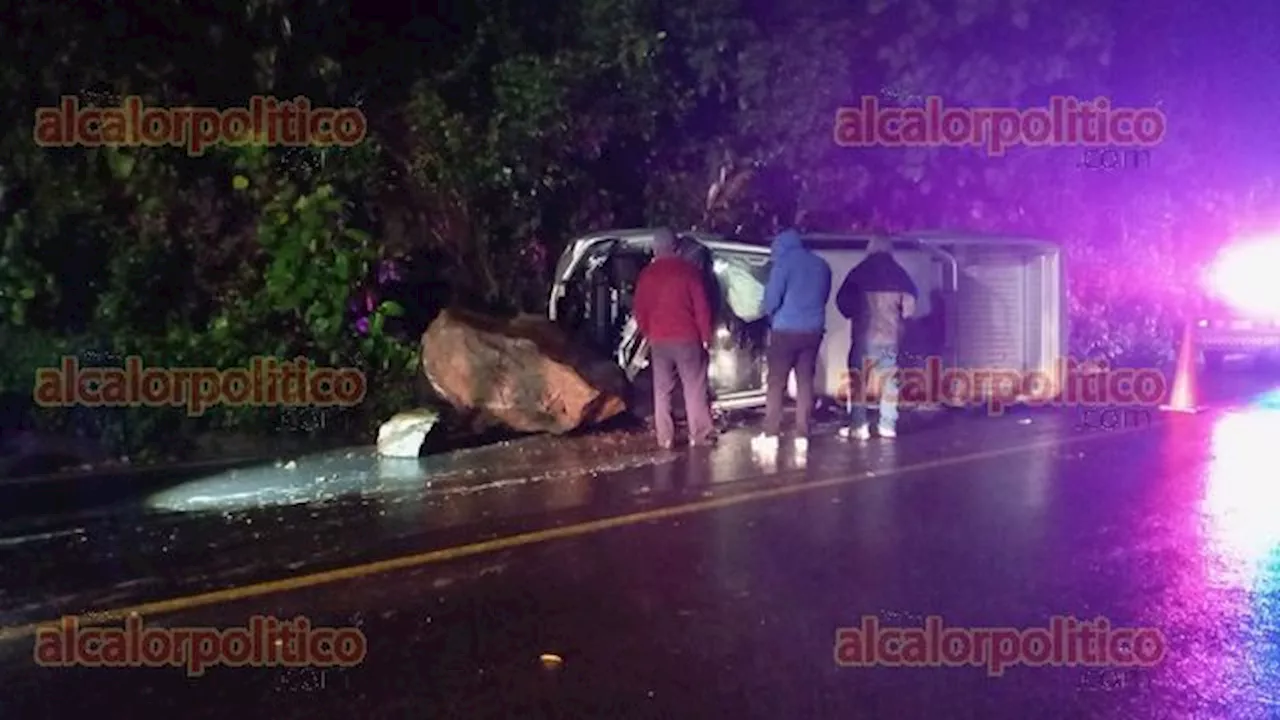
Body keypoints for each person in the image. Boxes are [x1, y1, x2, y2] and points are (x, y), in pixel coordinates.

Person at [633, 228, 716, 449]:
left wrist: (649, 332)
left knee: (662, 390)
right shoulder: (689, 272)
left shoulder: (646, 275)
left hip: (659, 340)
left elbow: (639, 310)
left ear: (655, 248)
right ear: (676, 247)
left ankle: (665, 438)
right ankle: (700, 434)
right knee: (694, 387)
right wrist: (706, 337)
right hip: (688, 338)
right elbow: (702, 308)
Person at [753, 228, 832, 453]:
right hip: (813, 331)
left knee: (776, 382)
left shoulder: (783, 264)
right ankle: (802, 434)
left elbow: (771, 301)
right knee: (805, 381)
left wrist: (769, 314)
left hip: (785, 331)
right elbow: (824, 296)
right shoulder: (821, 265)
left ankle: (770, 433)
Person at [836, 237, 917, 439]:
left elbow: (843, 301)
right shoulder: (900, 274)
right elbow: (909, 309)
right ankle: (887, 425)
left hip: (863, 337)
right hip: (890, 338)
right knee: (890, 381)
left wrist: (854, 314)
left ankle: (859, 425)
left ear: (870, 249)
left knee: (858, 381)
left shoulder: (859, 272)